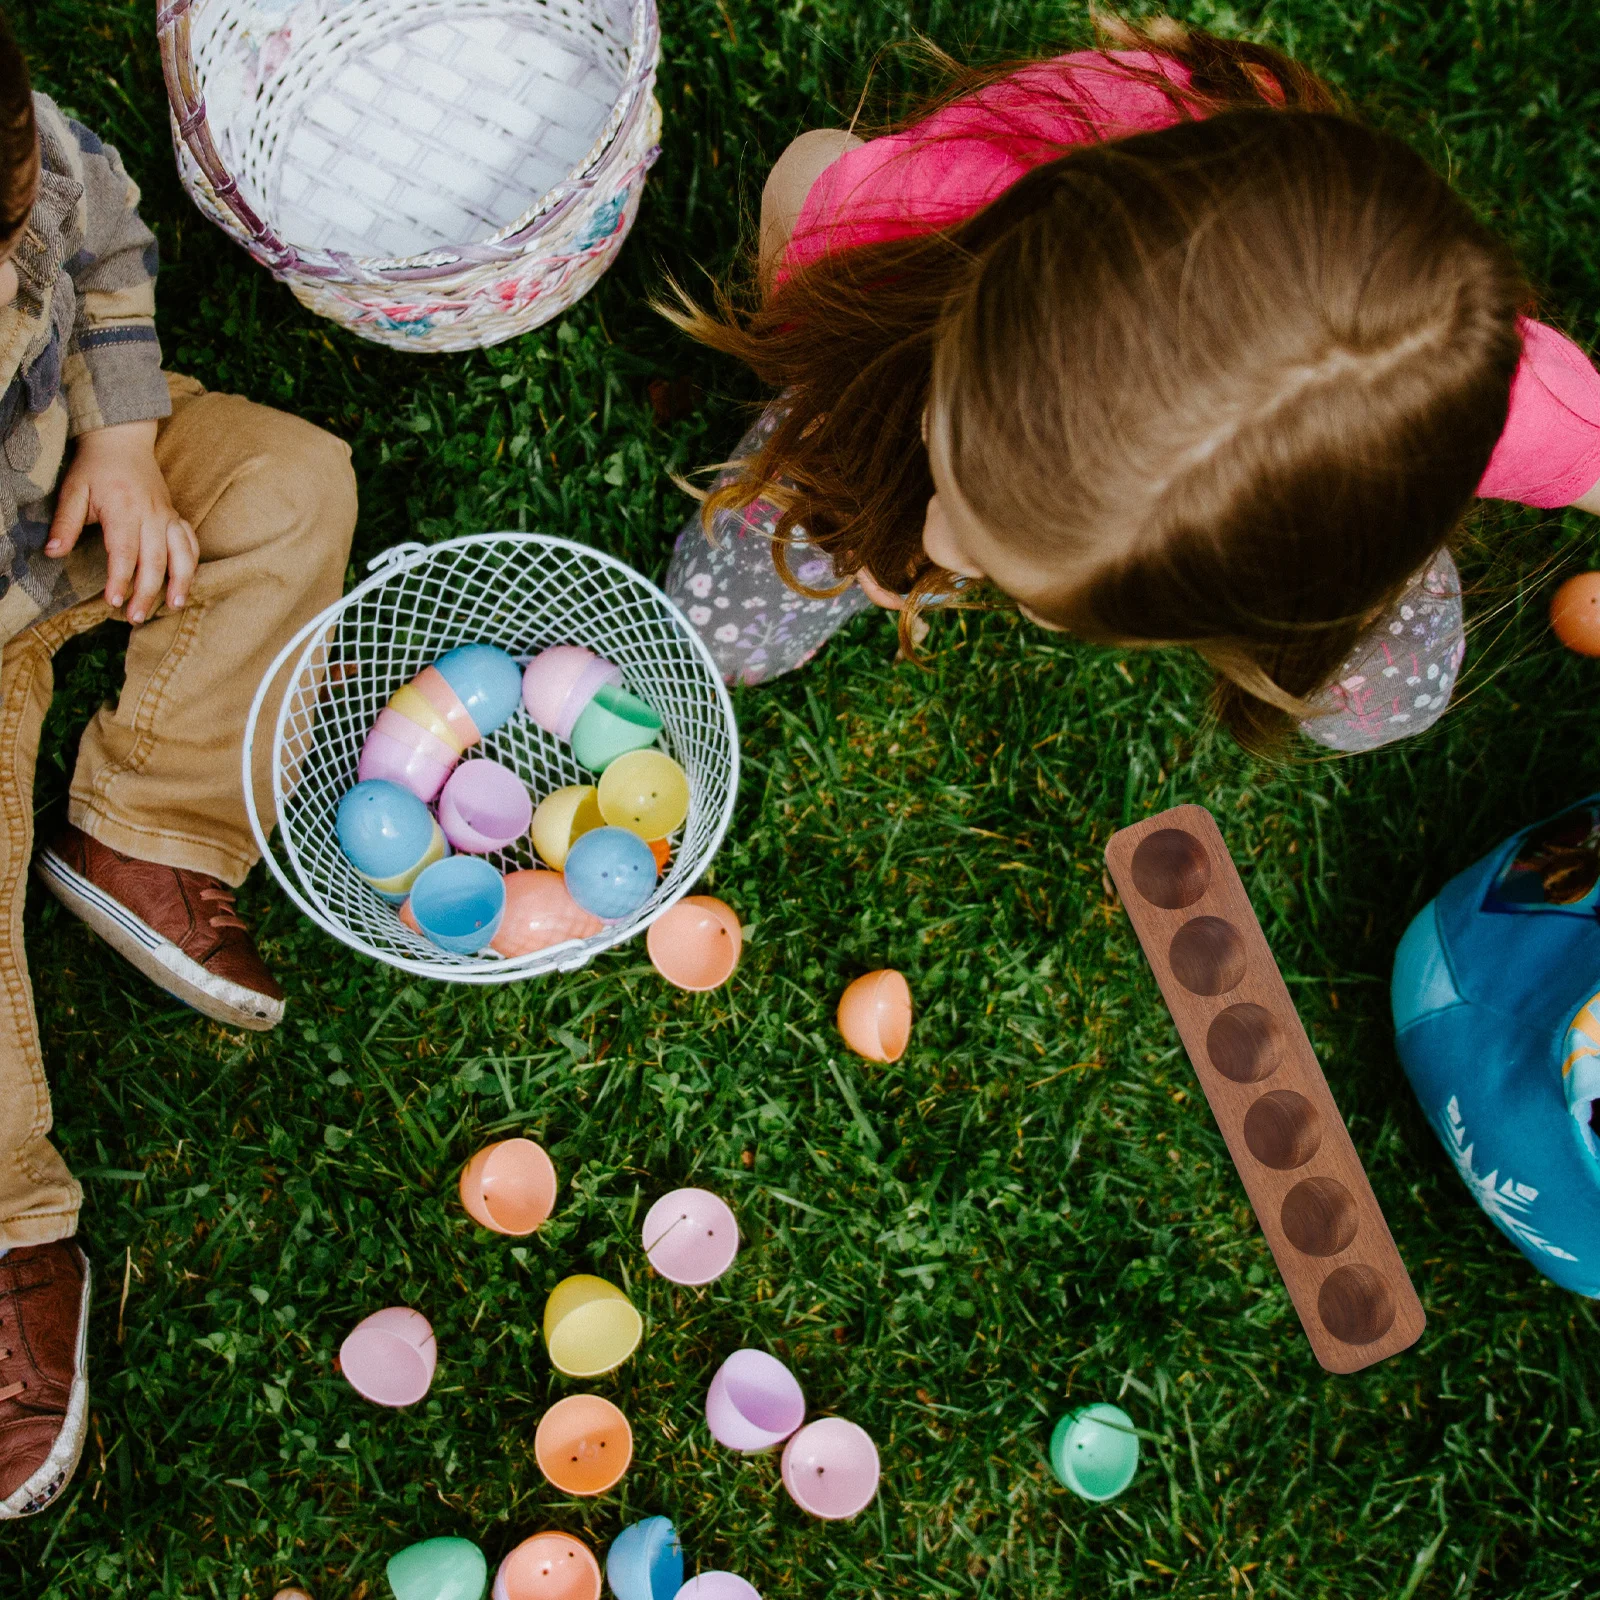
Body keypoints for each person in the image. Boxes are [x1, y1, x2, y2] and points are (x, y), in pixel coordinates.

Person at [661, 17, 1600, 754]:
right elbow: (810, 167)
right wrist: (815, 336)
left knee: (1377, 698)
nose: (941, 543)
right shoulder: (908, 224)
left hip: (1338, 508)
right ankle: (869, 449)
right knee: (754, 587)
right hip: (906, 336)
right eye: (952, 451)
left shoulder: (1493, 405)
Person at [0, 18, 357, 1517]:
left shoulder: (33, 158)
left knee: (290, 486)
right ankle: (15, 1223)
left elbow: (103, 243)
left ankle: (151, 822)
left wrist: (127, 438)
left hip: (62, 496)